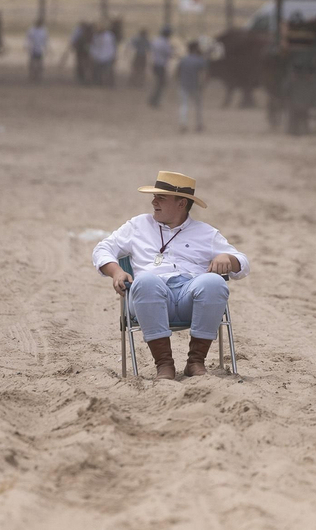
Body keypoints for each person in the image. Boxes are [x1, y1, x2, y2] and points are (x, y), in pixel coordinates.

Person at [93, 171, 249, 381]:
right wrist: (116, 271)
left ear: (181, 203)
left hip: (190, 297)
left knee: (214, 282)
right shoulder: (138, 225)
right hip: (149, 297)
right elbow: (102, 249)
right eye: (154, 196)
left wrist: (227, 258)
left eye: (161, 197)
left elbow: (243, 264)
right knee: (145, 280)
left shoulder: (206, 233)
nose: (153, 202)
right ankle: (164, 364)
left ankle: (195, 362)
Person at [177, 40, 208, 132]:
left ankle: (183, 124)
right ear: (195, 48)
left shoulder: (183, 60)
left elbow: (178, 72)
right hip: (195, 85)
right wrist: (203, 84)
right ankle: (199, 124)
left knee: (184, 105)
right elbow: (204, 74)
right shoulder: (199, 60)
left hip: (184, 84)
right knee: (198, 106)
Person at [147, 27, 173, 108]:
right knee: (161, 84)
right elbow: (169, 53)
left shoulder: (156, 40)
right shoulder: (165, 42)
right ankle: (155, 101)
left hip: (154, 63)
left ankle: (152, 99)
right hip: (161, 65)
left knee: (157, 82)